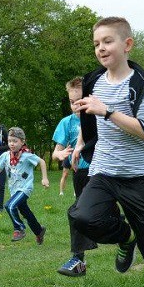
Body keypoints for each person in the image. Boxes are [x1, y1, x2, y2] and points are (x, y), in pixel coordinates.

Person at [65, 16, 144, 287]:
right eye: (96, 44)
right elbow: (91, 122)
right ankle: (125, 238)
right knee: (82, 215)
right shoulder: (92, 81)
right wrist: (80, 145)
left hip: (141, 175)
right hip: (104, 169)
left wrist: (108, 110)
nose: (101, 49)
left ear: (127, 45)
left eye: (107, 41)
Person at [53, 77, 97, 276]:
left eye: (80, 100)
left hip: (100, 171)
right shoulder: (66, 123)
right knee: (87, 213)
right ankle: (126, 237)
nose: (76, 105)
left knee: (78, 211)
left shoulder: (99, 118)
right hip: (79, 173)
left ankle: (78, 259)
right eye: (72, 102)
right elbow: (56, 151)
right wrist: (59, 155)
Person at [0, 126, 50, 243]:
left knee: (9, 206)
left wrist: (45, 178)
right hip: (14, 190)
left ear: (22, 142)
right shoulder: (6, 155)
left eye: (15, 141)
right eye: (10, 141)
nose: (12, 144)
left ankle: (19, 229)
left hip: (25, 188)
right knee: (25, 212)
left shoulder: (27, 155)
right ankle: (39, 231)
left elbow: (41, 162)